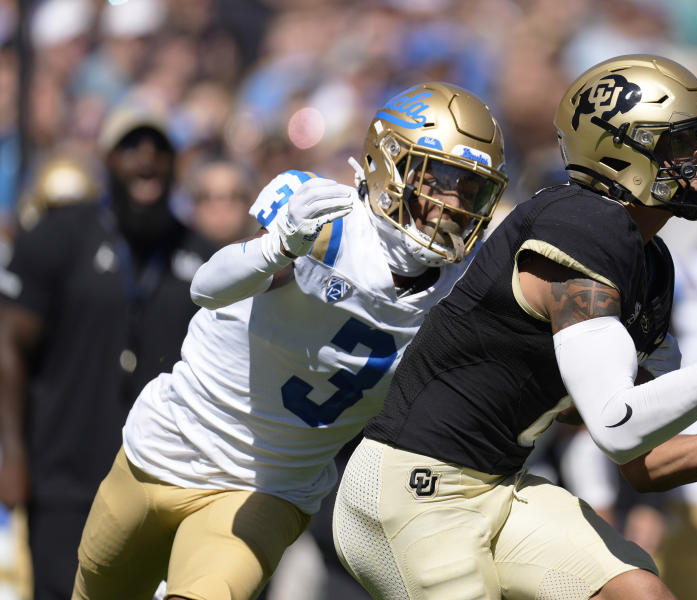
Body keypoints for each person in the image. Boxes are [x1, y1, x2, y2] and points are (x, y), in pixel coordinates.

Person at [332, 54, 697, 600]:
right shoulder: (582, 228)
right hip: (414, 489)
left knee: (642, 592)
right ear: (621, 150)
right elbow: (617, 427)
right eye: (681, 144)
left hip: (499, 487)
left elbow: (646, 460)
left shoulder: (652, 265)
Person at [71, 81, 509, 600]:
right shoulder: (325, 221)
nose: (453, 204)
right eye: (439, 180)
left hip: (267, 491)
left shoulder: (462, 296)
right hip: (165, 447)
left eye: (470, 189)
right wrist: (277, 246)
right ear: (388, 163)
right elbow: (206, 287)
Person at [0, 103, 214, 600]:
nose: (147, 159)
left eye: (160, 148)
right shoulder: (59, 236)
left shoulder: (201, 255)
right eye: (132, 146)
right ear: (107, 159)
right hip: (64, 477)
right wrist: (11, 450)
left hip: (162, 481)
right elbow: (7, 341)